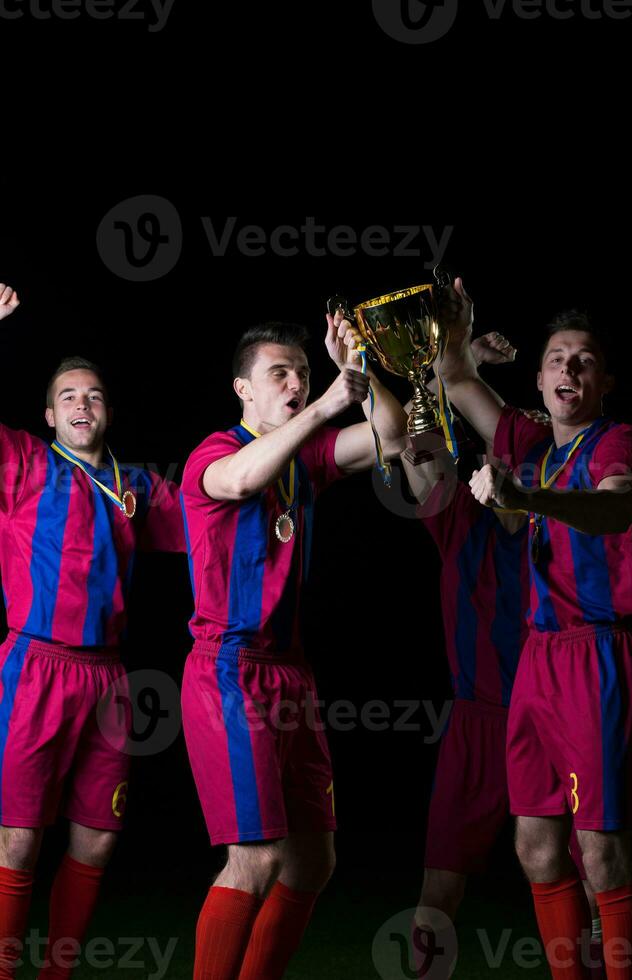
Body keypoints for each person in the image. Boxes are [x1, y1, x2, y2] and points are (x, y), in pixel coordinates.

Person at [436, 280, 632, 980]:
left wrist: (525, 498)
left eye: (583, 360)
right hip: (536, 658)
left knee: (598, 849)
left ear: (603, 381)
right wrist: (456, 328)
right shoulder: (527, 440)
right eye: (556, 358)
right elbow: (452, 377)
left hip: (598, 653)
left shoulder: (621, 441)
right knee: (534, 847)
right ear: (536, 377)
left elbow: (612, 511)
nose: (568, 369)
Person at [180, 311, 408, 980]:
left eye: (303, 374)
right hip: (228, 673)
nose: (295, 384)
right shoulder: (212, 453)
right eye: (279, 373)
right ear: (242, 390)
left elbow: (393, 437)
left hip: (291, 674)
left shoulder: (305, 458)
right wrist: (327, 405)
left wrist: (360, 376)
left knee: (314, 859)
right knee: (256, 859)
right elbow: (242, 481)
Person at [404, 333, 604, 979]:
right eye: (499, 444)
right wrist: (446, 371)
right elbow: (412, 441)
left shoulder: (561, 522)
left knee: (597, 878)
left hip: (557, 717)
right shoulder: (455, 516)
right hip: (476, 723)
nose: (505, 456)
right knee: (438, 891)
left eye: (523, 447)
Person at [0, 283, 184, 979]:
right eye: (69, 396)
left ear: (108, 413)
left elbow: (211, 509)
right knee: (17, 840)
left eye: (95, 395)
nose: (83, 404)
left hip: (107, 677)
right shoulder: (20, 464)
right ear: (49, 415)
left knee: (97, 841)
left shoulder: (136, 484)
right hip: (34, 668)